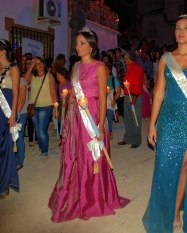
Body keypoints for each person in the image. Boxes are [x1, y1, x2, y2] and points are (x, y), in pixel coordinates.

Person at [48, 30, 129, 222]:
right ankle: (74, 194)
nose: (78, 47)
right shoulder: (75, 66)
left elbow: (102, 98)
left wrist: (100, 126)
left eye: (82, 43)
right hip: (75, 115)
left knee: (90, 157)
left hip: (91, 114)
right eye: (77, 43)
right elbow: (74, 92)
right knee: (73, 155)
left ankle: (92, 198)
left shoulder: (100, 67)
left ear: (92, 46)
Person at [142, 14, 187, 233]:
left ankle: (174, 214)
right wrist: (152, 124)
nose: (180, 31)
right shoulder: (165, 58)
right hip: (168, 118)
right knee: (164, 166)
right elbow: (159, 92)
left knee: (183, 167)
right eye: (178, 28)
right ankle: (163, 209)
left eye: (186, 28)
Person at [0, 39, 20, 199]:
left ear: (3, 51)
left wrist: (13, 114)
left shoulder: (13, 69)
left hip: (6, 111)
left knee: (5, 147)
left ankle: (5, 183)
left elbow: (15, 94)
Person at [25, 56, 57, 159]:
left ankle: (44, 151)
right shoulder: (32, 76)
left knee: (42, 130)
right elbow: (24, 81)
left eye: (40, 63)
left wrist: (56, 106)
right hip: (33, 107)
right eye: (36, 64)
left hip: (46, 106)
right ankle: (42, 145)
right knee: (37, 130)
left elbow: (53, 92)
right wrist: (31, 66)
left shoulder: (49, 76)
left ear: (43, 64)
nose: (39, 66)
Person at [118, 51, 144, 148]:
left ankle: (136, 140)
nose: (124, 60)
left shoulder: (137, 68)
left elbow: (138, 83)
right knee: (127, 119)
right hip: (127, 95)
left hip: (134, 96)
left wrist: (135, 96)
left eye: (125, 58)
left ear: (129, 58)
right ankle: (128, 138)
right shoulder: (128, 68)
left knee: (135, 118)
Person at [105, 62, 121, 140]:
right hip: (103, 100)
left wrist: (114, 99)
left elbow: (118, 91)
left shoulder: (113, 79)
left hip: (110, 100)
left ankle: (109, 131)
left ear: (109, 70)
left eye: (106, 69)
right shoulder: (101, 79)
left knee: (109, 116)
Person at [15, 75, 28, 171]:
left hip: (20, 113)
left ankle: (19, 161)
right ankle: (13, 159)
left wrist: (16, 114)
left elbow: (22, 100)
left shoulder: (21, 80)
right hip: (9, 113)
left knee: (18, 137)